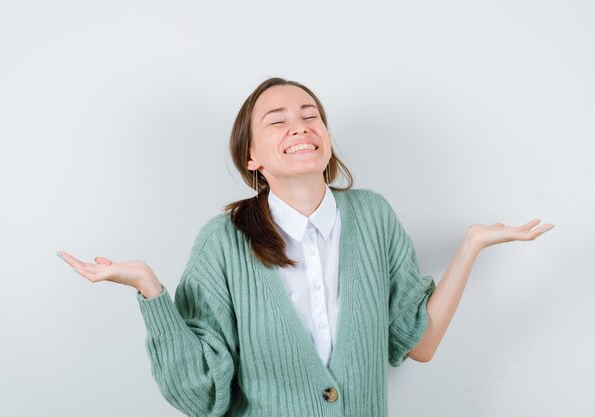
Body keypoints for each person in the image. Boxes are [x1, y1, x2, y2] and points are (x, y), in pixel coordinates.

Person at [56, 77, 554, 416]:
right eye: (276, 119)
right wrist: (151, 292)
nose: (299, 125)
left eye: (310, 114)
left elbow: (419, 344)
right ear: (252, 156)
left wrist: (469, 247)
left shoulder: (373, 215)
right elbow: (201, 395)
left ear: (327, 138)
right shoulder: (224, 240)